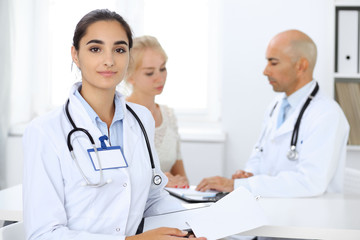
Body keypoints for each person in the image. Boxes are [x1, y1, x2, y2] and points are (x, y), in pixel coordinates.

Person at [22, 9, 206, 240]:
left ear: (129, 56)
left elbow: (153, 198)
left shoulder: (141, 118)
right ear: (76, 55)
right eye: (95, 49)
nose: (109, 60)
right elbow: (43, 234)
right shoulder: (45, 131)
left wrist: (191, 228)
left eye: (119, 49)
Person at [196, 29, 350, 198]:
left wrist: (243, 185)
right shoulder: (276, 105)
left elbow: (310, 182)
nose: (265, 71)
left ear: (301, 66)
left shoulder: (327, 114)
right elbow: (259, 154)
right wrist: (249, 174)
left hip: (309, 216)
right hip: (272, 206)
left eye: (273, 63)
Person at [125, 35, 189, 188]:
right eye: (149, 73)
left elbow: (182, 178)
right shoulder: (119, 116)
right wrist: (159, 182)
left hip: (169, 204)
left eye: (162, 69)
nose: (160, 78)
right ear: (130, 76)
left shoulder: (168, 115)